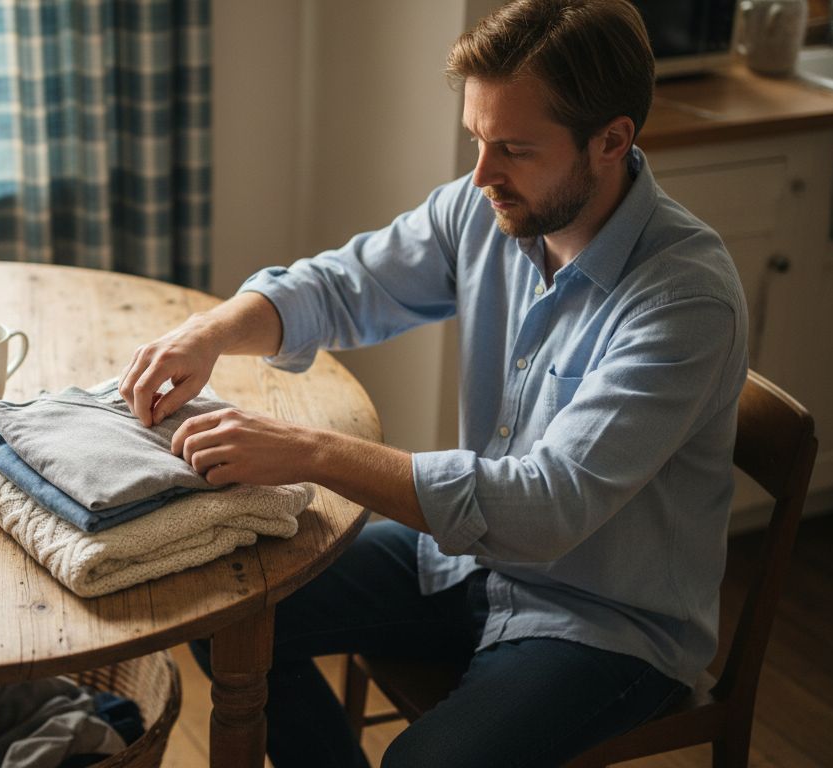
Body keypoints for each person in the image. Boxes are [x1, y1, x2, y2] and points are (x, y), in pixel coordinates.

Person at [116, 0, 749, 765]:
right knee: (228, 612)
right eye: (477, 139)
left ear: (612, 141)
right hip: (468, 561)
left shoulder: (684, 299)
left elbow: (546, 509)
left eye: (513, 148)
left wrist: (307, 453)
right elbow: (344, 286)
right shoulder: (488, 208)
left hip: (607, 623)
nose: (481, 175)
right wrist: (212, 331)